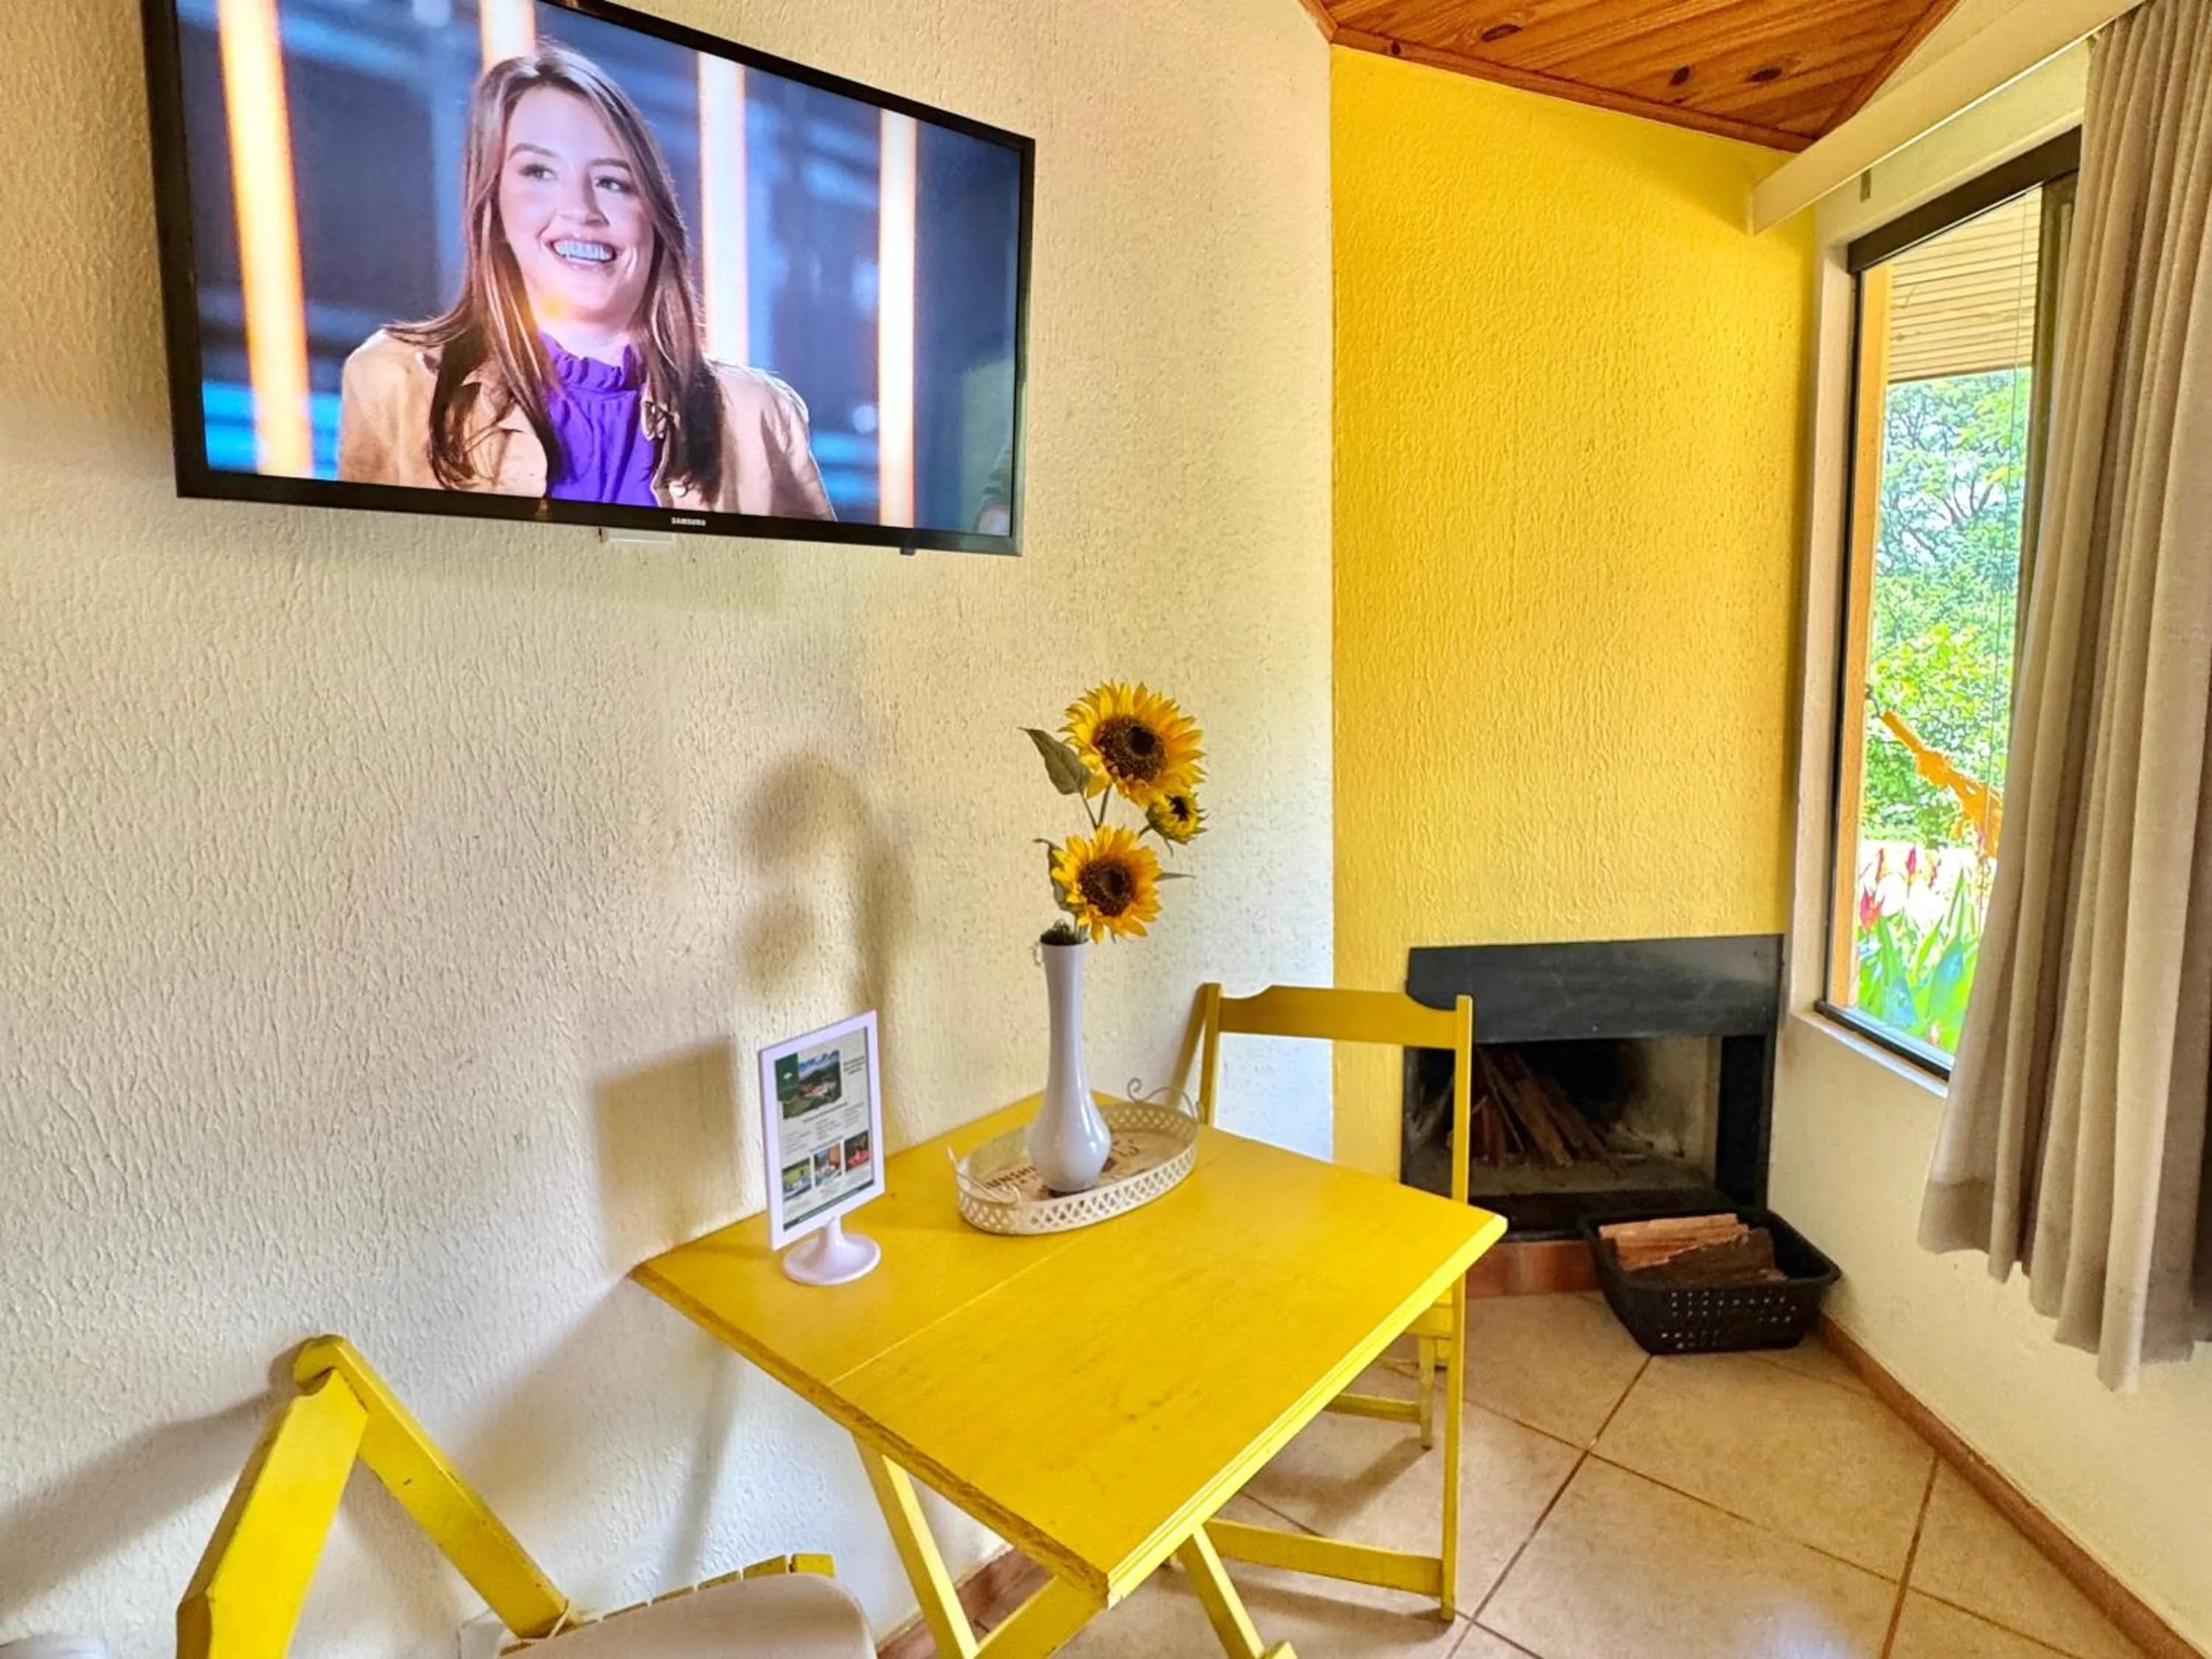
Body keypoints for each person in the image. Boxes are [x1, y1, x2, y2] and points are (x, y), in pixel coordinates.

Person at [340, 45, 832, 520]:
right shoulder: (394, 379)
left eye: (612, 181)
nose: (580, 209)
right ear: (493, 204)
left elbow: (815, 594)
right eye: (539, 172)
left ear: (654, 215)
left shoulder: (759, 413)